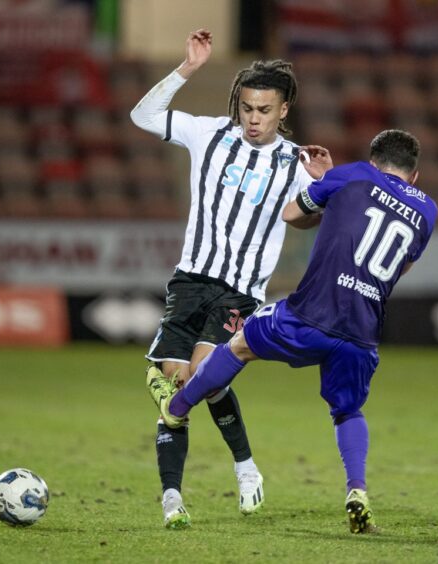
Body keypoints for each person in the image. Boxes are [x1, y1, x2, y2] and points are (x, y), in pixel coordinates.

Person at [147, 129, 437, 533]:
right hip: (363, 330)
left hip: (311, 314)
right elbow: (400, 266)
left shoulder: (352, 175)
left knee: (240, 344)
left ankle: (176, 409)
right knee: (347, 410)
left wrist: (325, 184)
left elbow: (292, 214)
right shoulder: (428, 210)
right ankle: (357, 490)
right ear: (415, 175)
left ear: (373, 162)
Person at [130, 29, 333, 529]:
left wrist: (325, 186)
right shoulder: (209, 133)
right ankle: (173, 499)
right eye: (247, 108)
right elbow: (143, 116)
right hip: (190, 279)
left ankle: (244, 469)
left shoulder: (295, 162)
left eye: (264, 110)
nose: (254, 119)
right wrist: (188, 68)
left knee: (201, 378)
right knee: (180, 386)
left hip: (241, 289)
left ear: (284, 110)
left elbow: (306, 218)